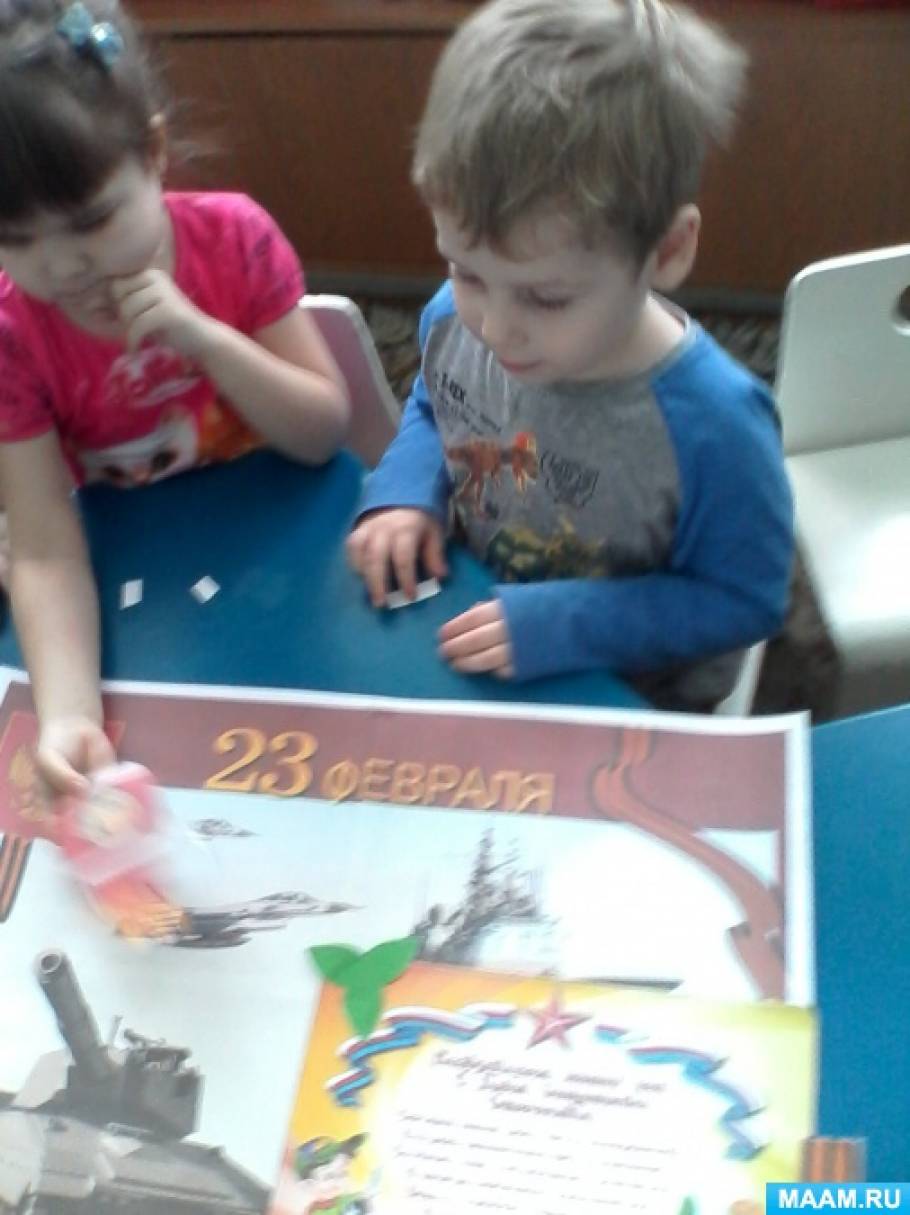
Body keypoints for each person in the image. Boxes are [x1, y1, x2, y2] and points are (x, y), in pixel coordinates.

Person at [347, 0, 794, 712]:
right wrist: (406, 489)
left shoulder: (719, 426)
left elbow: (747, 599)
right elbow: (435, 409)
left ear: (668, 252)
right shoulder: (451, 321)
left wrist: (566, 625)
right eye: (465, 271)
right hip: (481, 629)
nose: (494, 328)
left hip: (633, 698)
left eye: (547, 298)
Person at [0, 0, 350, 794]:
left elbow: (322, 431)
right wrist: (69, 714)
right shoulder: (15, 331)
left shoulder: (236, 238)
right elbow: (45, 547)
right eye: (16, 239)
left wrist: (207, 340)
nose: (64, 267)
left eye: (91, 221)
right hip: (131, 569)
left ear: (154, 154)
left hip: (282, 538)